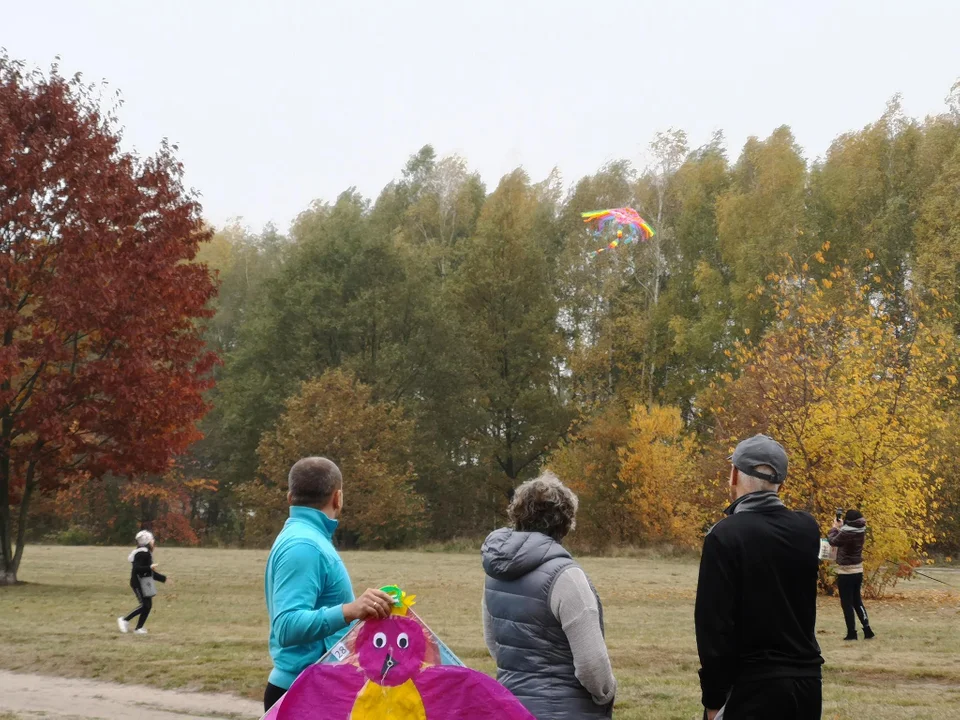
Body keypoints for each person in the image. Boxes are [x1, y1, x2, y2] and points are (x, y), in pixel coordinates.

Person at [695, 434, 824, 720]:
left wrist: (714, 699)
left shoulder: (725, 535)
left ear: (733, 475)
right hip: (806, 684)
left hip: (751, 687)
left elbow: (713, 628)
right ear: (782, 483)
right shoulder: (807, 529)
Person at [263, 456, 395, 714]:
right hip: (303, 694)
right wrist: (351, 610)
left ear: (290, 497)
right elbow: (287, 626)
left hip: (318, 689)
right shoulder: (304, 545)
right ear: (338, 498)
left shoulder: (306, 537)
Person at [481, 471, 616, 720]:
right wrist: (606, 693)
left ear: (517, 515)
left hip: (512, 707)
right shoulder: (567, 577)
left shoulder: (495, 573)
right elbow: (591, 664)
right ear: (565, 522)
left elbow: (494, 643)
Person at [828, 509, 875, 641]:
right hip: (858, 570)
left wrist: (834, 528)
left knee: (846, 603)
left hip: (846, 572)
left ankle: (851, 633)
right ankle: (867, 629)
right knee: (857, 601)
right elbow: (847, 535)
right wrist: (841, 527)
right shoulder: (860, 529)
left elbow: (833, 541)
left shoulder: (846, 532)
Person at [117, 530, 166, 635]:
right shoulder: (142, 553)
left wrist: (164, 579)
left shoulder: (145, 553)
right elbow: (137, 569)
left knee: (148, 605)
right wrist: (149, 567)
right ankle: (124, 620)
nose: (154, 542)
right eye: (152, 540)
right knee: (144, 605)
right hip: (138, 583)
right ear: (147, 542)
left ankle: (139, 628)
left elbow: (150, 572)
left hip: (145, 582)